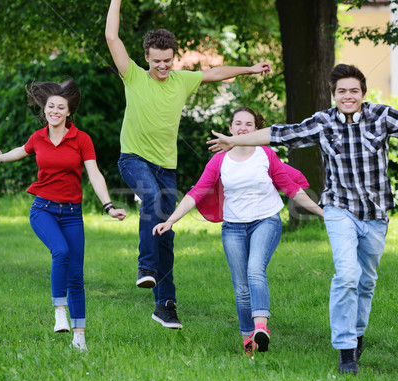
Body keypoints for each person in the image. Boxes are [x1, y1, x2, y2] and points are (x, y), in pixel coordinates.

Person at [207, 64, 398, 373]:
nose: (348, 96)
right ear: (334, 95)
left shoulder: (381, 117)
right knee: (346, 276)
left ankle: (356, 335)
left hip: (375, 215)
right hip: (339, 210)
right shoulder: (323, 123)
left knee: (365, 282)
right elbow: (281, 134)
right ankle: (345, 351)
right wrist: (236, 141)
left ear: (363, 94)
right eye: (341, 91)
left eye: (354, 90)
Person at [105, 0, 272, 330]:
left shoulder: (181, 79)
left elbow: (215, 73)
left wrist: (249, 69)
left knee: (167, 233)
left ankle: (165, 305)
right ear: (147, 58)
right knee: (150, 199)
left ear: (173, 57)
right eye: (156, 61)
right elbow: (112, 37)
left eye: (167, 61)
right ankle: (145, 268)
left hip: (166, 167)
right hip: (134, 160)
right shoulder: (134, 76)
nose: (162, 66)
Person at [152, 107, 323, 355]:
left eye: (249, 124)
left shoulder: (266, 155)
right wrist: (171, 220)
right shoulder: (220, 161)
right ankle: (248, 343)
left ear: (256, 129)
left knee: (255, 269)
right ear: (230, 128)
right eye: (238, 123)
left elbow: (292, 190)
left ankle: (261, 328)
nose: (243, 127)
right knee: (242, 288)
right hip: (233, 227)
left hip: (266, 221)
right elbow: (196, 192)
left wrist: (321, 212)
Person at [0, 79, 127, 352]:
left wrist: (108, 206)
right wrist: (1, 156)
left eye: (60, 107)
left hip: (73, 213)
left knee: (76, 276)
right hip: (43, 210)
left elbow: (94, 173)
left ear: (68, 111)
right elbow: (22, 151)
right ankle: (58, 310)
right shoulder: (38, 138)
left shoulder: (81, 139)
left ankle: (79, 338)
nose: (54, 111)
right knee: (61, 252)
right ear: (45, 109)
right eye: (50, 106)